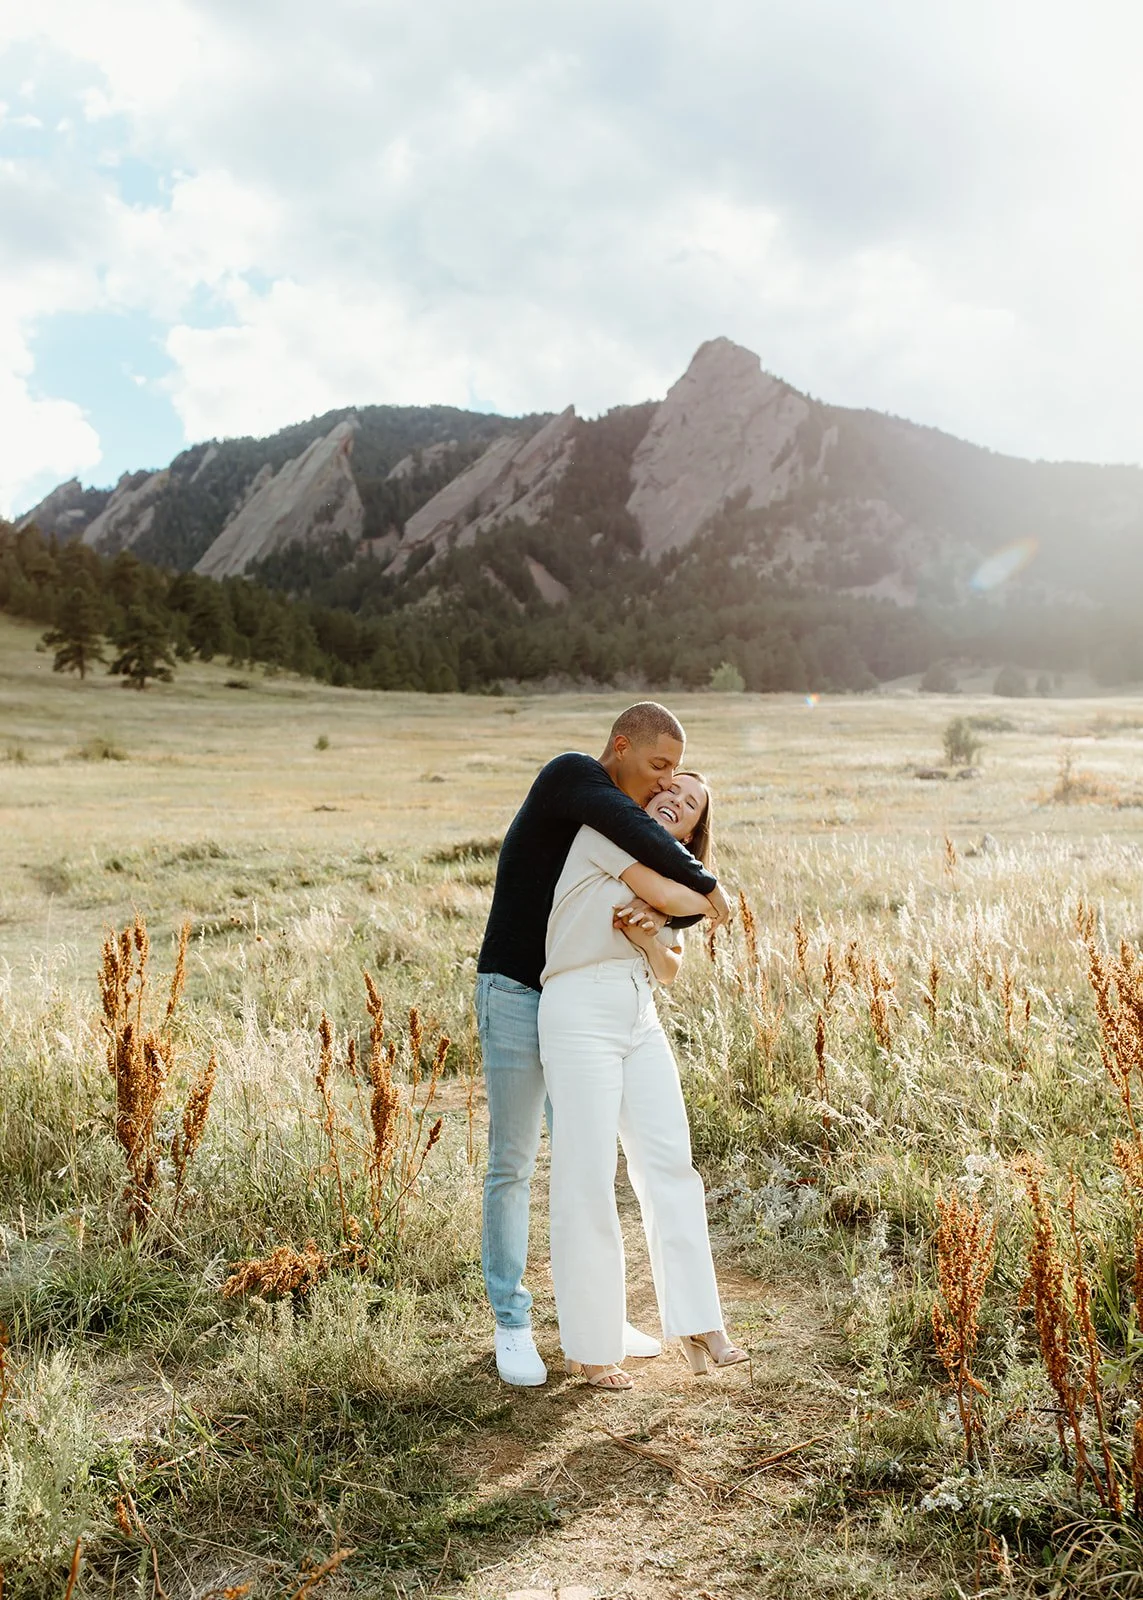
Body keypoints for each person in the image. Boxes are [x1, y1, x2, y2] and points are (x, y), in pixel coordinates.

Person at [476, 703, 730, 1386]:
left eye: (679, 778)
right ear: (621, 746)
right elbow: (653, 856)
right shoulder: (576, 780)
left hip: (594, 1000)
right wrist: (709, 888)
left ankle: (597, 1320)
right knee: (514, 1160)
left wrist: (669, 912)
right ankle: (512, 1322)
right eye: (659, 767)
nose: (665, 782)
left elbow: (662, 898)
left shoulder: (628, 825)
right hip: (518, 988)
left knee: (587, 1159)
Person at [538, 771, 746, 1390]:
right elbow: (682, 896)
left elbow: (669, 969)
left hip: (639, 1012)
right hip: (579, 1006)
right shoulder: (606, 831)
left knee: (671, 1166)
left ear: (691, 832)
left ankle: (699, 1324)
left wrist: (648, 931)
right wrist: (702, 898)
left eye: (690, 805)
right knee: (587, 1174)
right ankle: (591, 1347)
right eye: (671, 789)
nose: (674, 801)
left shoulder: (664, 877)